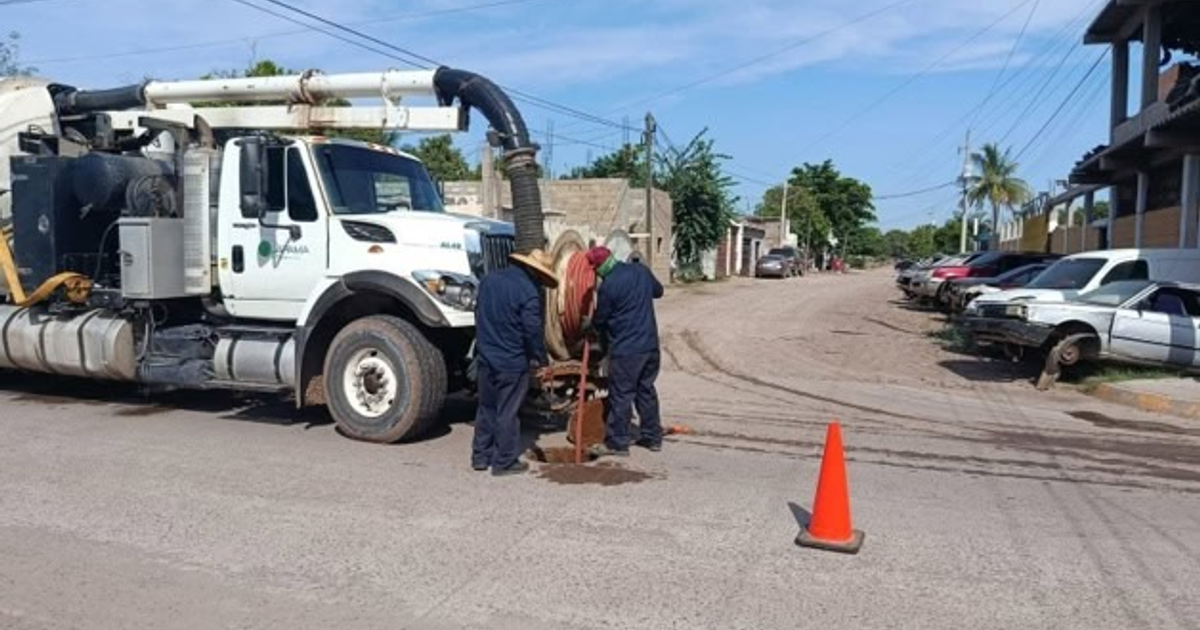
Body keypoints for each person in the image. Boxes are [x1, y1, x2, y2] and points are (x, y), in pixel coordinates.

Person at [471, 249, 558, 476]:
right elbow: (532, 331)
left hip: (485, 357)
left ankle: (480, 457)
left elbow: (477, 313)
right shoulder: (528, 292)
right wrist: (541, 359)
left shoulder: (489, 281)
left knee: (486, 408)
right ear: (534, 271)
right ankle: (504, 461)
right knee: (508, 411)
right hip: (512, 362)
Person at [584, 246, 665, 457]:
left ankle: (617, 443)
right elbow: (659, 291)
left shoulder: (608, 286)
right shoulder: (641, 271)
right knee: (646, 390)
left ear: (601, 266)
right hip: (650, 346)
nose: (595, 273)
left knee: (621, 395)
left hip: (626, 351)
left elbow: (601, 321)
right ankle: (652, 437)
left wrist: (589, 326)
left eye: (595, 269)